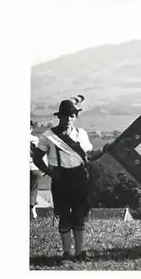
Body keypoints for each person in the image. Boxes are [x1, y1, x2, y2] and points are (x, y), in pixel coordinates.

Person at [32, 98, 107, 262]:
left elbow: (89, 156)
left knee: (79, 216)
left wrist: (104, 149)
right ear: (60, 117)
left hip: (80, 178)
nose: (68, 119)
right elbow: (37, 157)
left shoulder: (81, 134)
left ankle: (80, 252)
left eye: (71, 116)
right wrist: (49, 172)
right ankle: (67, 253)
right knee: (64, 217)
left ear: (75, 117)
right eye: (65, 116)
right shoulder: (49, 136)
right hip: (61, 179)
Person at [30, 120, 41, 220]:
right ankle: (32, 211)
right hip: (34, 168)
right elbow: (40, 154)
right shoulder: (35, 139)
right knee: (33, 190)